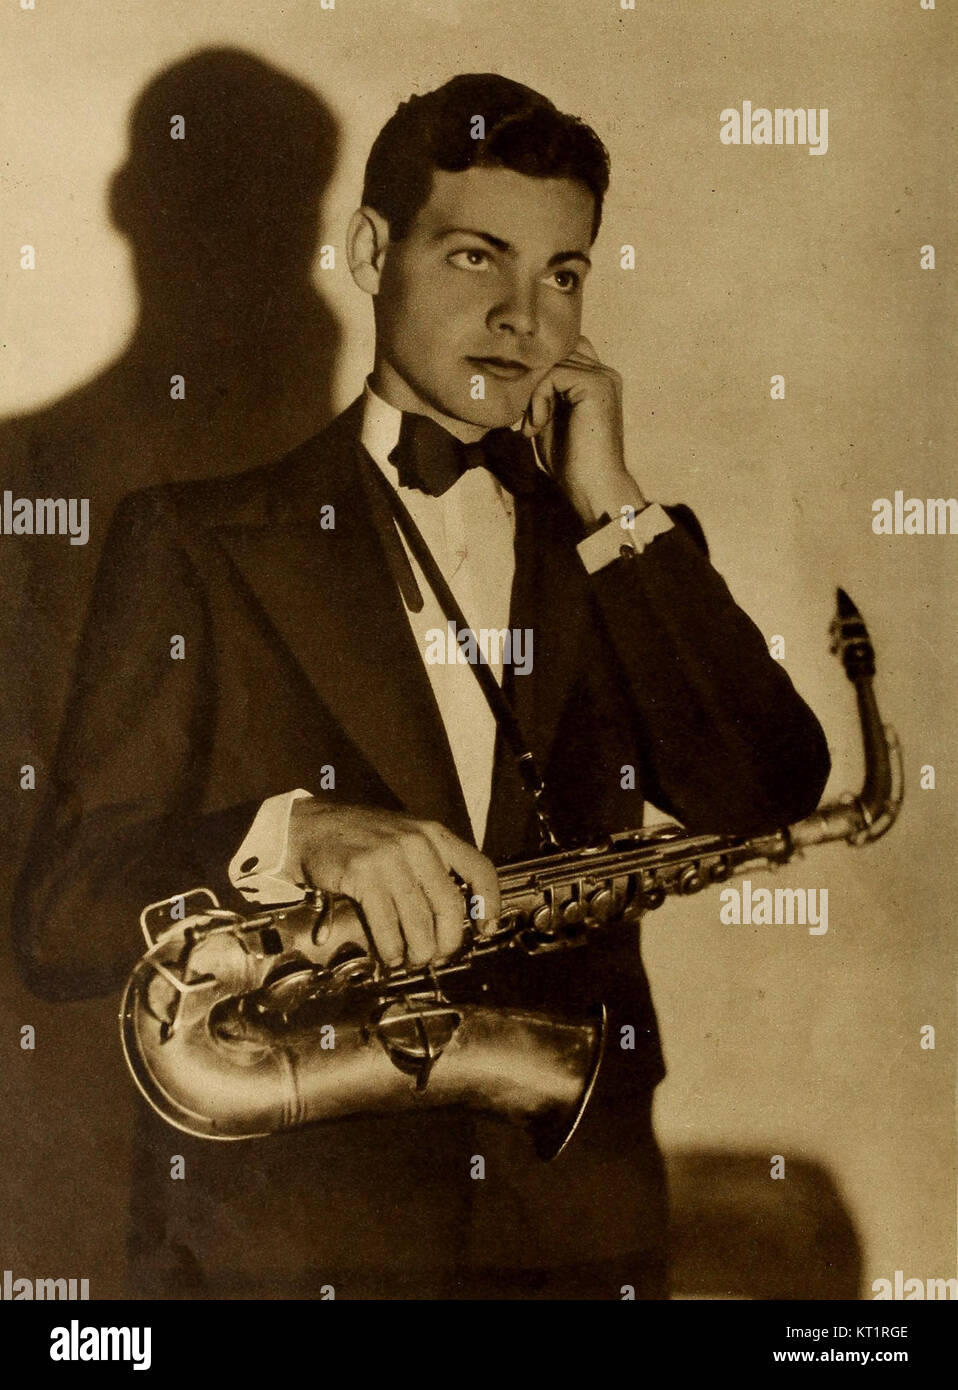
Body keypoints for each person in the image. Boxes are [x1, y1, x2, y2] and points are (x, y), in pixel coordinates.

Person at [13, 73, 830, 1300]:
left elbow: (768, 785)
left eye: (563, 274)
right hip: (286, 1254)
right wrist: (294, 834)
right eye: (473, 256)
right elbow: (63, 918)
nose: (522, 317)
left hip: (573, 1231)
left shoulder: (617, 548)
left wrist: (612, 502)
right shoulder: (189, 539)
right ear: (369, 252)